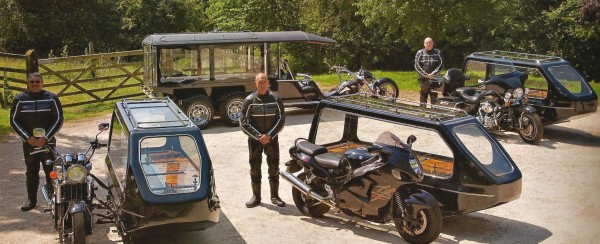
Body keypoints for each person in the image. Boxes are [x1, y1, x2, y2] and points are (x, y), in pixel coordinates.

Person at [10, 72, 64, 211]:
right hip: (29, 144)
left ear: (42, 83)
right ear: (28, 83)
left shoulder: (52, 98)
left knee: (51, 171)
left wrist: (46, 138)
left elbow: (58, 120)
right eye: (32, 81)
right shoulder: (20, 100)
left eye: (37, 81)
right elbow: (14, 121)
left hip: (48, 143)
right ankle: (31, 200)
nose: (34, 84)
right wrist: (27, 137)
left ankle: (54, 200)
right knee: (31, 172)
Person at [239, 73, 286, 208]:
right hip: (255, 141)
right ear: (255, 83)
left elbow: (281, 120)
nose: (262, 84)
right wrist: (259, 136)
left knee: (274, 167)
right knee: (255, 168)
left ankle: (275, 196)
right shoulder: (249, 100)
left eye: (264, 82)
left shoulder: (276, 99)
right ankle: (256, 197)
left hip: (272, 140)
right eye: (259, 82)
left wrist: (269, 135)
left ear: (268, 83)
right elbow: (243, 123)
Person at [414, 37, 444, 105]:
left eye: (430, 42)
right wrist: (426, 75)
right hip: (423, 79)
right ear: (424, 44)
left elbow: (441, 65)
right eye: (427, 43)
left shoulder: (438, 53)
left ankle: (433, 114)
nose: (428, 44)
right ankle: (422, 113)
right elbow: (417, 66)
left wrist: (433, 74)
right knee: (423, 96)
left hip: (435, 79)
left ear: (433, 43)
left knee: (434, 97)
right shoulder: (420, 53)